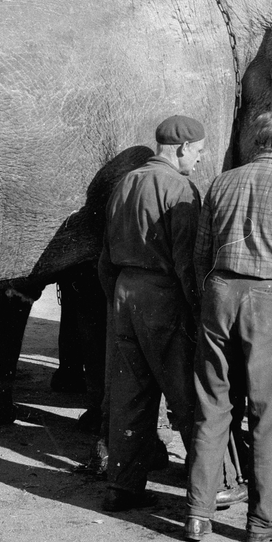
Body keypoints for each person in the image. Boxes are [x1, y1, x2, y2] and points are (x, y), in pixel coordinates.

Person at [185, 111, 272, 542]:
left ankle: (196, 514)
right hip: (267, 301)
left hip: (219, 294)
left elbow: (200, 254)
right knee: (268, 417)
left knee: (212, 408)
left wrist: (204, 304)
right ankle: (262, 524)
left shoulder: (220, 183)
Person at [98, 114, 207, 513]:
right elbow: (186, 263)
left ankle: (122, 486)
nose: (197, 160)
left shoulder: (125, 183)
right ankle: (218, 484)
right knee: (187, 395)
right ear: (180, 148)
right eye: (196, 152)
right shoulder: (180, 188)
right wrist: (196, 312)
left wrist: (120, 298)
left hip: (125, 294)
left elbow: (104, 259)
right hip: (164, 297)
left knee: (129, 395)